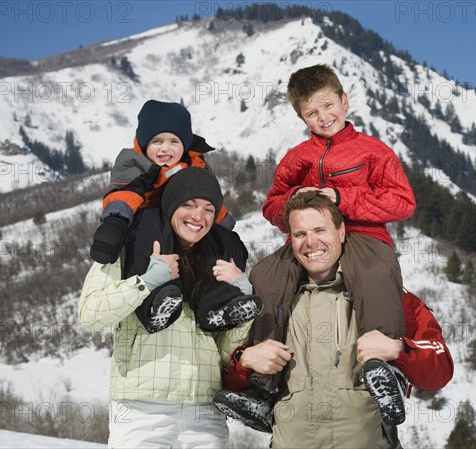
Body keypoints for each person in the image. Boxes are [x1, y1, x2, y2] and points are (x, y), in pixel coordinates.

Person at [214, 192, 453, 448]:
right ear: (290, 241)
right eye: (300, 234)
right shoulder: (272, 301)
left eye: (320, 230)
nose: (310, 242)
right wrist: (246, 360)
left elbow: (439, 371)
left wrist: (398, 349)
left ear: (341, 232)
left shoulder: (385, 295)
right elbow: (228, 381)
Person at [261, 64, 417, 423]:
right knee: (268, 274)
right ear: (302, 118)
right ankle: (262, 383)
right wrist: (293, 199)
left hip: (363, 236)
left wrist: (342, 197)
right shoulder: (297, 157)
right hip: (310, 238)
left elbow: (402, 201)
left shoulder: (373, 151)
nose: (323, 117)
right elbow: (270, 205)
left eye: (328, 106)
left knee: (375, 272)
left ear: (344, 101)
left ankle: (385, 370)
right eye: (311, 113)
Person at [79, 167, 256, 448]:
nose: (198, 216)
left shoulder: (221, 259)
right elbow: (91, 315)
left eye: (209, 208)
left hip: (204, 413)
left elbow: (225, 352)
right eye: (188, 204)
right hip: (142, 410)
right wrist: (145, 282)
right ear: (171, 205)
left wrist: (244, 300)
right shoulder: (131, 246)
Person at [89, 100, 256, 333]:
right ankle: (157, 301)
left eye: (174, 142)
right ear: (145, 143)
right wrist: (116, 222)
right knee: (153, 222)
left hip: (180, 224)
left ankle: (217, 305)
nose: (165, 149)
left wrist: (223, 228)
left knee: (226, 239)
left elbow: (208, 199)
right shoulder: (135, 163)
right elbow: (125, 192)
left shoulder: (194, 162)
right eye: (157, 141)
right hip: (145, 227)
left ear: (185, 144)